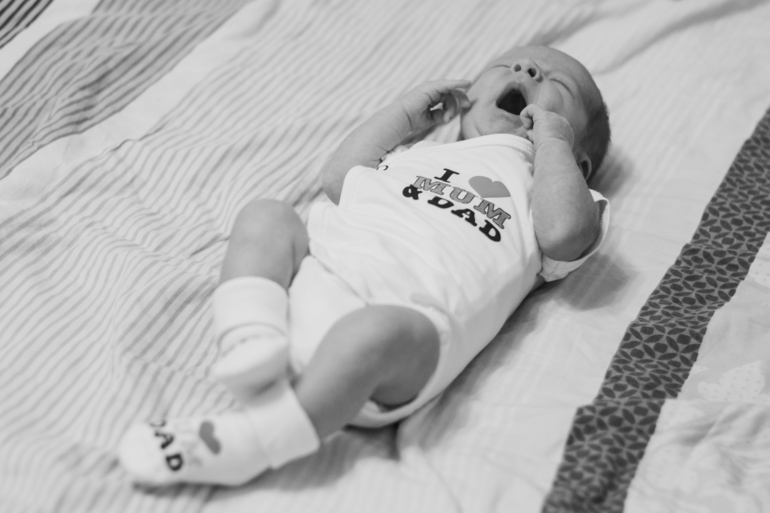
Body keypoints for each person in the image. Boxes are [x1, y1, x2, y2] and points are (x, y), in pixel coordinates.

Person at [118, 45, 611, 486]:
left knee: (375, 333)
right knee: (266, 216)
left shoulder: (550, 191)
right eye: (508, 64)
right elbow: (340, 178)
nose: (527, 70)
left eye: (558, 83)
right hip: (312, 280)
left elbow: (565, 233)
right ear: (471, 96)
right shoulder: (419, 154)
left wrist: (552, 146)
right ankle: (248, 335)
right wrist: (404, 116)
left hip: (403, 334)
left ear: (581, 162)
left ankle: (253, 440)